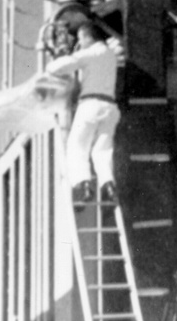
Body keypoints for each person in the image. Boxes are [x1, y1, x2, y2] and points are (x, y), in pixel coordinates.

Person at [38, 13, 123, 208]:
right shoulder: (109, 54)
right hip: (110, 107)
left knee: (76, 147)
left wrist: (53, 64)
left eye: (81, 39)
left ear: (87, 37)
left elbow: (60, 67)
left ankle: (84, 184)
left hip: (90, 105)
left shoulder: (90, 53)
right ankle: (108, 184)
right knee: (102, 150)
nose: (80, 42)